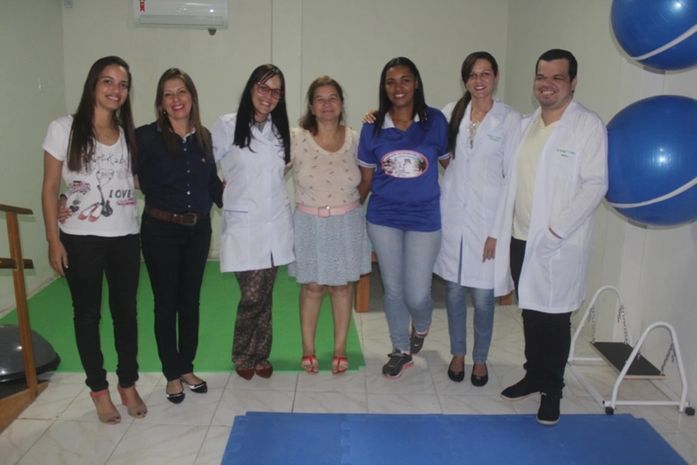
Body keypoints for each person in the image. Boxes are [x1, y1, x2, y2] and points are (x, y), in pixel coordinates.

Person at [496, 49, 608, 425]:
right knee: (530, 311)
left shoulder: (586, 126)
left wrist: (557, 230)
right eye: (541, 77)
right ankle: (533, 375)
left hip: (559, 242)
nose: (547, 84)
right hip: (520, 237)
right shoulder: (526, 124)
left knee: (555, 317)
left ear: (573, 82)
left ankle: (552, 389)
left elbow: (595, 184)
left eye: (557, 78)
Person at [41, 56, 147, 424]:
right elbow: (50, 186)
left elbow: (139, 180)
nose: (116, 90)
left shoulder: (129, 134)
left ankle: (127, 383)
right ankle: (99, 389)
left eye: (123, 84)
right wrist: (53, 240)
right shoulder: (63, 128)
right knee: (87, 315)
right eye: (108, 81)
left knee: (126, 314)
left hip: (125, 237)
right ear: (93, 84)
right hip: (80, 239)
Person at [358, 57, 449, 378]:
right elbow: (365, 179)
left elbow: (452, 166)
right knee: (394, 290)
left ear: (416, 83)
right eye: (391, 81)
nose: (398, 88)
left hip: (425, 218)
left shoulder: (435, 121)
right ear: (384, 87)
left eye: (405, 80)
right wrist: (349, 212)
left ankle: (421, 325)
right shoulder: (372, 126)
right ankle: (400, 349)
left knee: (417, 293)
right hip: (383, 218)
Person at [433, 52, 521, 386]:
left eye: (485, 74)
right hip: (454, 218)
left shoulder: (509, 119)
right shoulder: (450, 113)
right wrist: (376, 116)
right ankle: (458, 353)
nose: (479, 80)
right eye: (472, 74)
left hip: (488, 223)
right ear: (465, 80)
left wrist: (497, 232)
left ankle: (480, 358)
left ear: (496, 77)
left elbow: (511, 179)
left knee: (484, 297)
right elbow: (421, 134)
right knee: (454, 292)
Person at [137, 68, 223, 403]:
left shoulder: (204, 136)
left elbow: (212, 183)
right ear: (161, 102)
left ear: (192, 97)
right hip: (160, 231)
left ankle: (186, 366)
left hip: (198, 231)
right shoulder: (145, 137)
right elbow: (115, 172)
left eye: (181, 92)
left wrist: (246, 204)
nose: (176, 99)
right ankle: (171, 374)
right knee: (165, 303)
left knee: (190, 301)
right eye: (168, 94)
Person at [212, 64, 294, 380]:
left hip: (274, 224)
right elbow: (204, 164)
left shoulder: (282, 131)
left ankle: (260, 355)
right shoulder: (227, 125)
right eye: (263, 88)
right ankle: (242, 353)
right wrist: (222, 195)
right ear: (251, 88)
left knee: (265, 295)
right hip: (243, 226)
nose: (268, 96)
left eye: (276, 91)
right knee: (253, 296)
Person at [289, 76, 371, 375]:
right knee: (313, 287)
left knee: (342, 287)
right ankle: (308, 350)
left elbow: (367, 177)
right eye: (320, 99)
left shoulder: (356, 138)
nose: (326, 104)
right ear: (311, 106)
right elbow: (269, 171)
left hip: (346, 222)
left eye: (333, 97)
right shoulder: (295, 138)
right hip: (309, 223)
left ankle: (339, 350)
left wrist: (349, 206)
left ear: (342, 103)